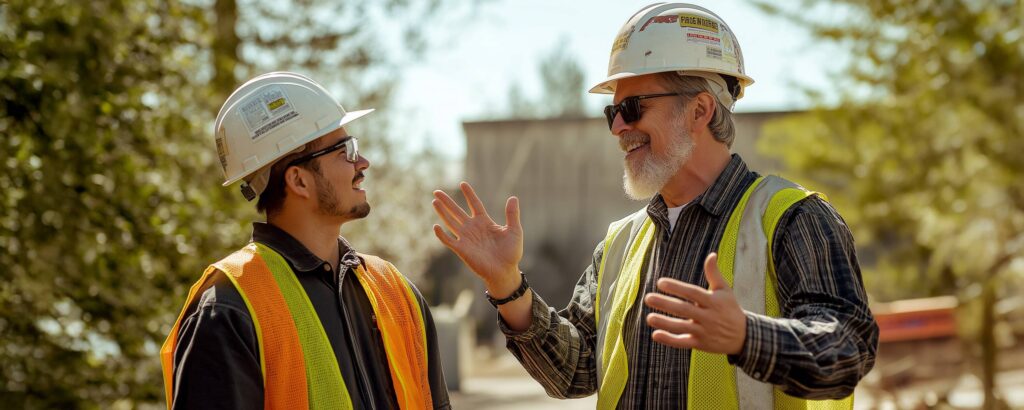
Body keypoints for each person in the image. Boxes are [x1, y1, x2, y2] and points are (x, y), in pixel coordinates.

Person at [431, 3, 877, 409]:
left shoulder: (795, 219)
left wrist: (746, 336)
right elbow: (575, 373)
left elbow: (849, 353)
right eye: (612, 113)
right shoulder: (621, 243)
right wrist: (508, 285)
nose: (617, 127)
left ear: (700, 110)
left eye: (633, 107)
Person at [160, 72, 450, 409]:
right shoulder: (227, 310)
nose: (362, 163)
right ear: (299, 180)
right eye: (346, 150)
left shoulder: (395, 291)